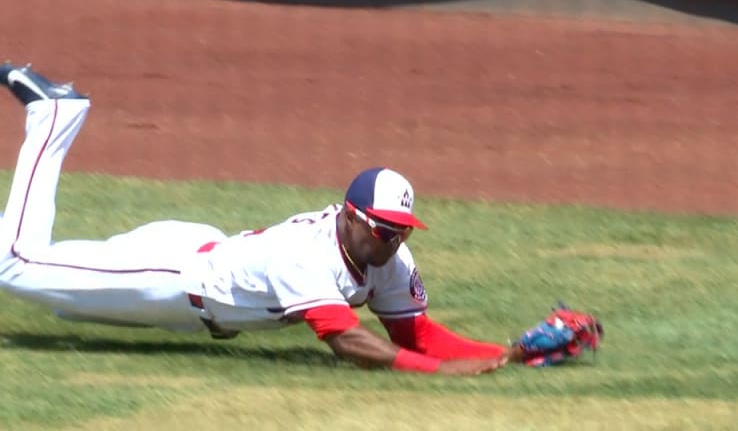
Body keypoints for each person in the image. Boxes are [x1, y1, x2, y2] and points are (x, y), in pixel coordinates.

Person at [0, 63, 523, 376]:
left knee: (65, 305)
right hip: (170, 277)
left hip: (199, 265)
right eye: (384, 228)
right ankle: (54, 117)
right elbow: (349, 343)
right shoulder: (308, 253)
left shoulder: (389, 256)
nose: (394, 239)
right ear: (353, 218)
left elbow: (417, 334)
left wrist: (510, 355)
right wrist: (446, 374)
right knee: (16, 265)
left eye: (402, 228)